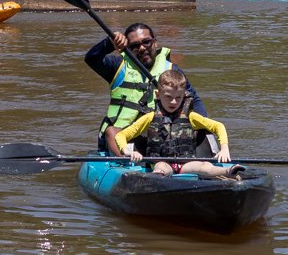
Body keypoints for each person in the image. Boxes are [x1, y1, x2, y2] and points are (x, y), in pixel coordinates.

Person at [84, 22, 206, 156]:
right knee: (111, 131)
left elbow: (193, 99)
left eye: (146, 42)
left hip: (158, 136)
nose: (142, 48)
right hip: (124, 138)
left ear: (155, 43)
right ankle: (127, 161)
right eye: (134, 46)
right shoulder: (116, 66)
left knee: (199, 128)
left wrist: (203, 125)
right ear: (127, 48)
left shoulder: (172, 71)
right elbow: (91, 58)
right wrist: (109, 43)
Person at [114, 69, 244, 179]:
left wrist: (224, 148)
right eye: (168, 97)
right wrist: (128, 152)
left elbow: (218, 126)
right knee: (161, 167)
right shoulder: (150, 118)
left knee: (204, 166)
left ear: (184, 95)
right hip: (162, 163)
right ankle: (157, 181)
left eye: (178, 97)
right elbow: (121, 135)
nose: (173, 102)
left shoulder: (191, 117)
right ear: (158, 95)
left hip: (186, 163)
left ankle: (229, 171)